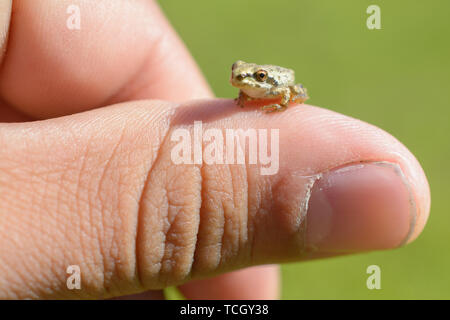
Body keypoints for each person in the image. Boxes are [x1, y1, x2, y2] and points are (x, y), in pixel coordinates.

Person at [0, 1, 430, 299]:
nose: (242, 81)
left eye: (250, 77)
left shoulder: (271, 86)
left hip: (283, 87)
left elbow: (289, 89)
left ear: (260, 79)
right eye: (239, 76)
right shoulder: (245, 88)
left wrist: (274, 98)